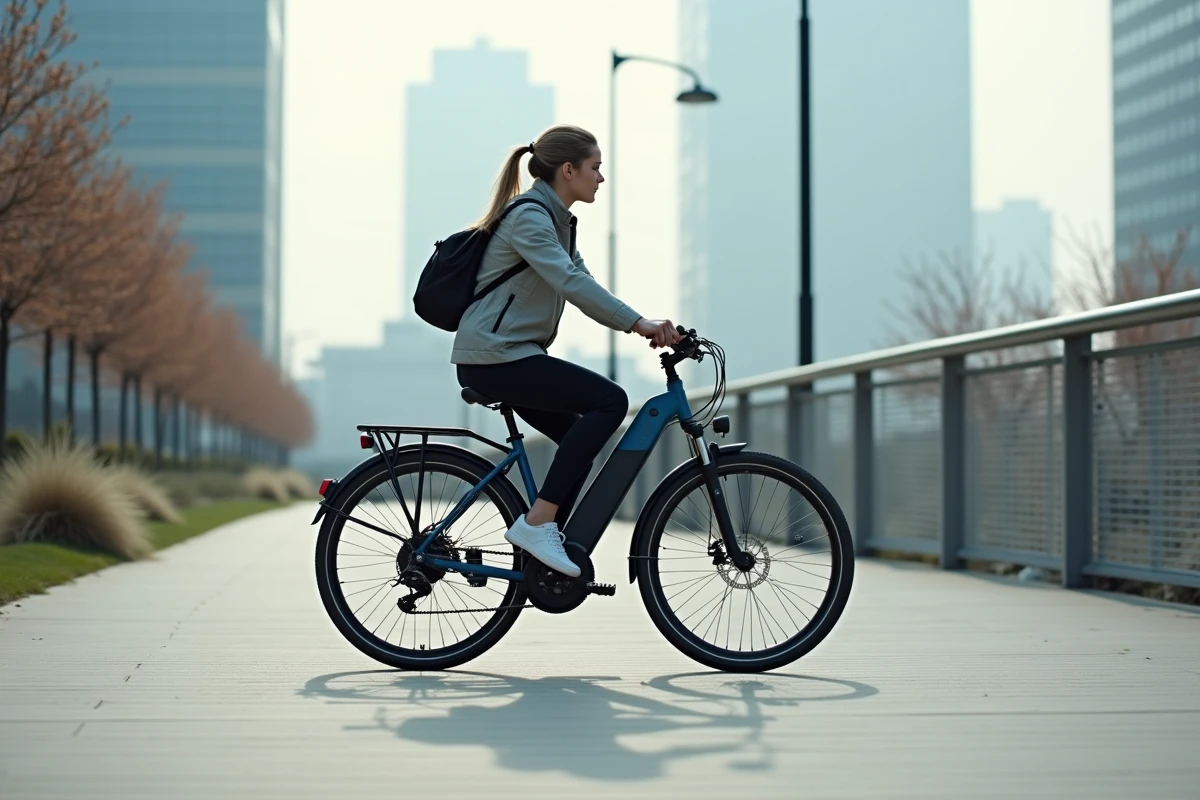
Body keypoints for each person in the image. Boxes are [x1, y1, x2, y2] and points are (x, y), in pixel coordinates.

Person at [452, 124, 681, 577]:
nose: (601, 178)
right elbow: (570, 283)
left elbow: (584, 281)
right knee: (610, 400)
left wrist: (643, 322)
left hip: (511, 354)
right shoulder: (530, 218)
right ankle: (538, 524)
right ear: (569, 169)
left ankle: (543, 544)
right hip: (493, 357)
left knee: (578, 437)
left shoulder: (558, 221)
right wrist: (639, 324)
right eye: (596, 168)